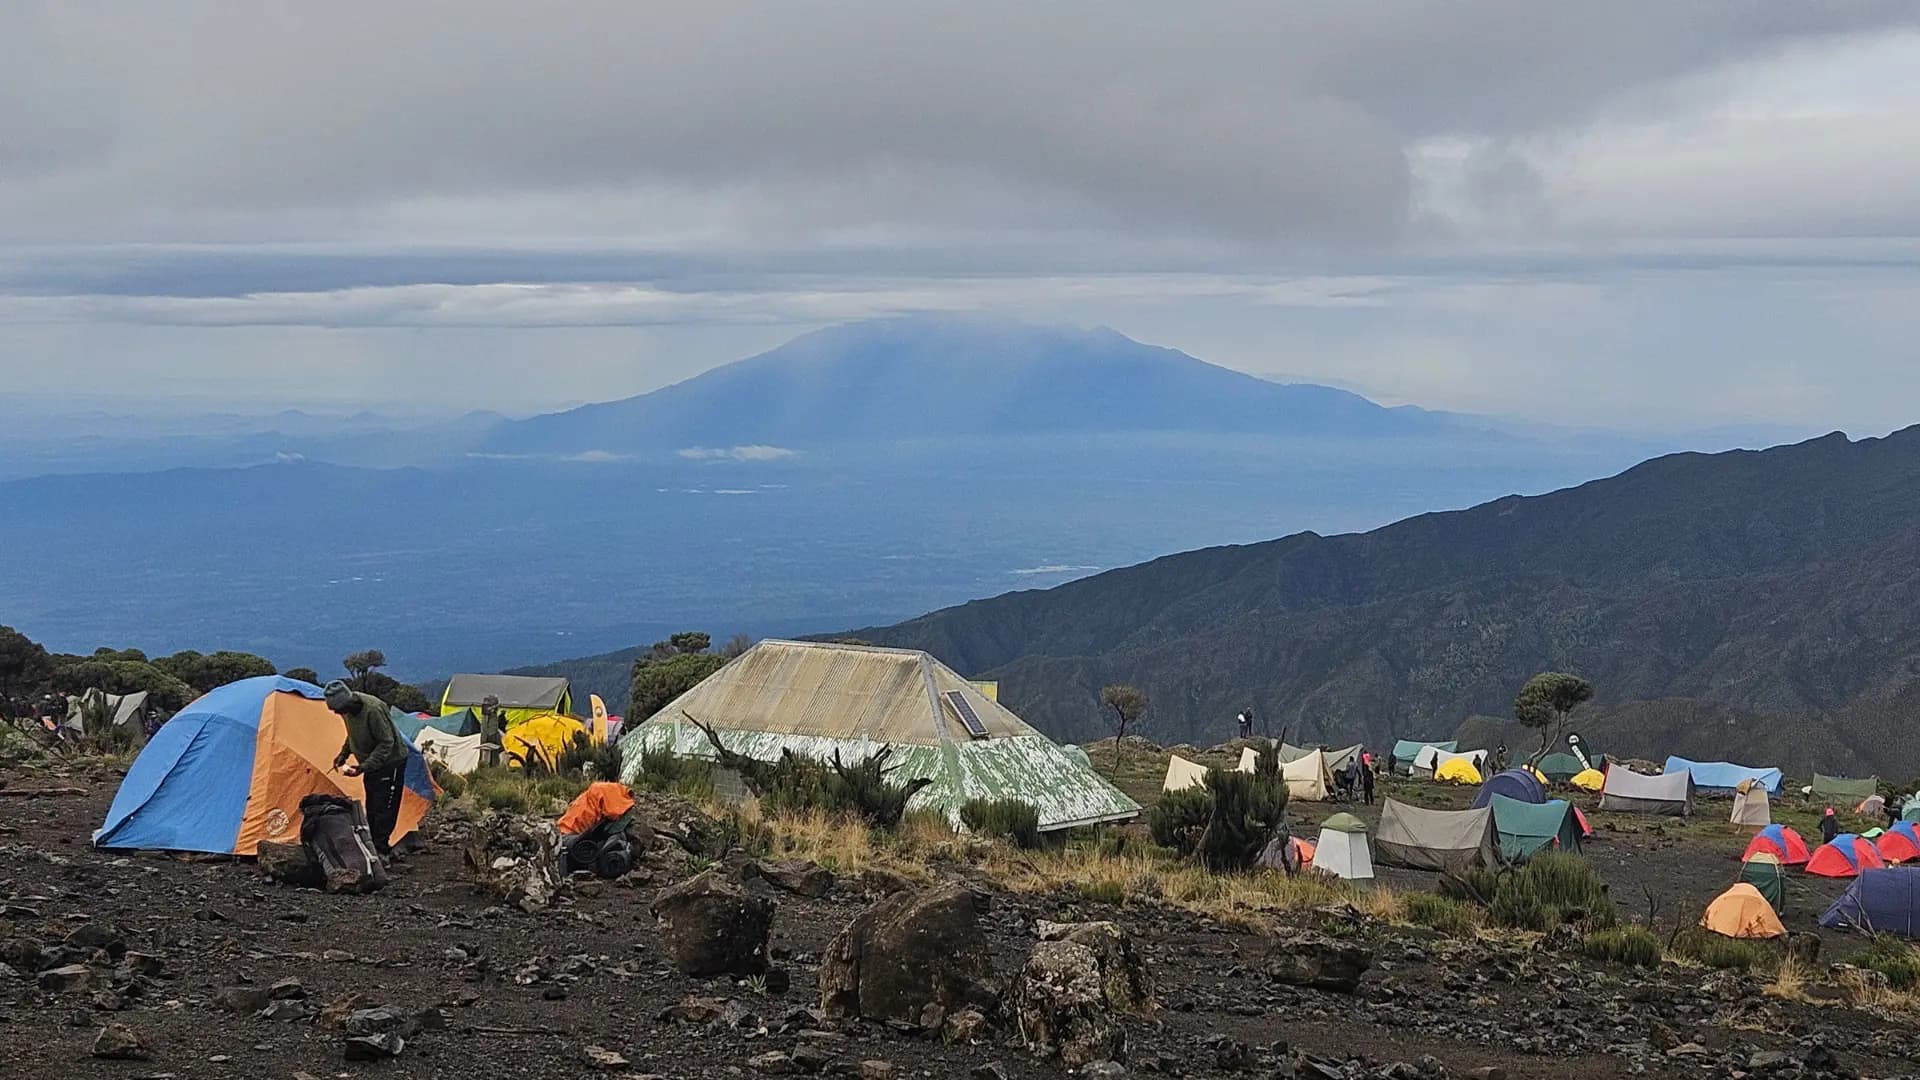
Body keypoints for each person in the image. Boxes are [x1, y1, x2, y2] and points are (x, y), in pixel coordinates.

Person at [326, 680, 406, 858]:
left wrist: (364, 767)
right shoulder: (347, 711)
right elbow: (352, 735)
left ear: (347, 702)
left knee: (384, 806)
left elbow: (386, 742)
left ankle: (382, 849)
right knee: (372, 805)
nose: (336, 713)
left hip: (391, 762)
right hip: (371, 764)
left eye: (338, 709)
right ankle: (374, 846)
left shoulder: (373, 710)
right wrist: (343, 754)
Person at [477, 694, 507, 769]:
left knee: (496, 753)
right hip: (489, 735)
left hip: (493, 734)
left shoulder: (493, 715)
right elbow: (485, 725)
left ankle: (495, 767)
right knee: (487, 755)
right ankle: (487, 767)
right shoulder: (486, 713)